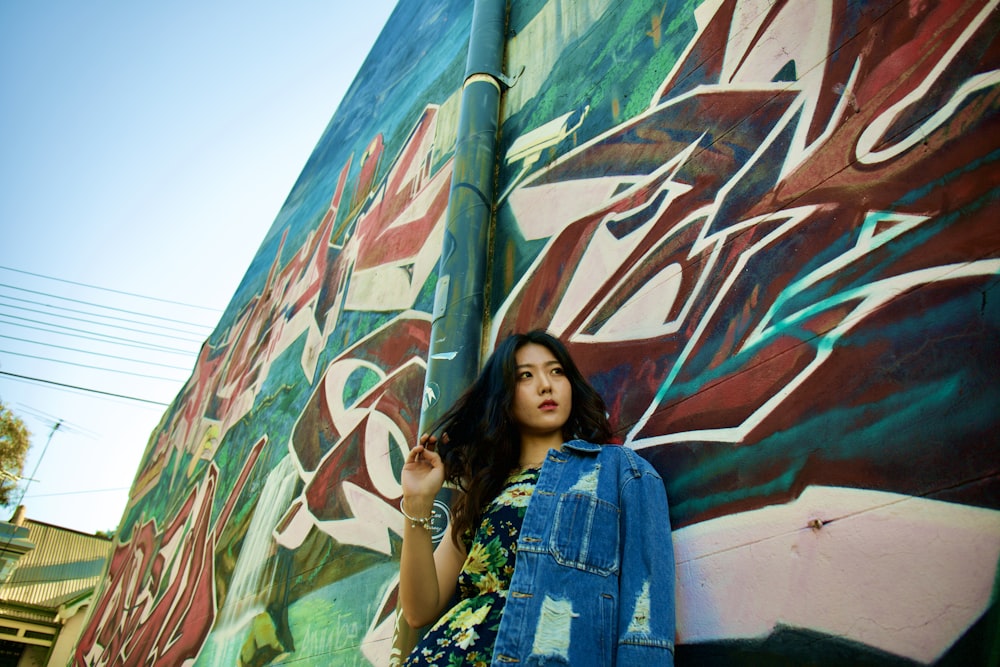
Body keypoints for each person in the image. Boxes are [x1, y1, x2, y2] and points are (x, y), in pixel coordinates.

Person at [399, 330, 675, 666]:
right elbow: (418, 610)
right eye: (525, 376)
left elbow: (645, 614)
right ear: (504, 397)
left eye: (556, 371)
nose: (546, 385)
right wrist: (417, 502)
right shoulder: (485, 494)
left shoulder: (620, 471)